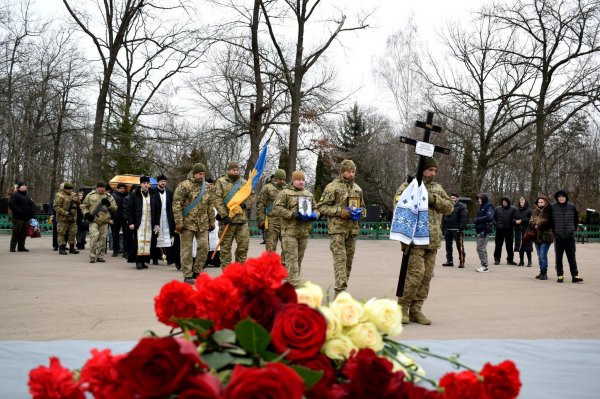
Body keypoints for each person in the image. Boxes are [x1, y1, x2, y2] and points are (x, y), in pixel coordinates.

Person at [393, 157, 453, 325]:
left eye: (435, 171)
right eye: (430, 170)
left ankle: (416, 310)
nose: (433, 173)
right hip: (414, 241)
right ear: (422, 170)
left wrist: (434, 200)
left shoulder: (437, 188)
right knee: (415, 276)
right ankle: (402, 308)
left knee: (426, 277)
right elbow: (398, 207)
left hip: (432, 241)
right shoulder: (408, 186)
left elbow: (449, 207)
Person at [316, 159, 365, 297]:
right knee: (340, 260)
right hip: (337, 230)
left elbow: (364, 209)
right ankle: (340, 292)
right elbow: (321, 207)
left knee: (348, 262)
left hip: (352, 230)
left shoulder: (357, 189)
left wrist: (360, 213)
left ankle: (343, 290)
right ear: (342, 171)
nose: (351, 174)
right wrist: (339, 211)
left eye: (353, 171)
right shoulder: (332, 187)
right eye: (349, 171)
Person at [271, 171, 318, 287]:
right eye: (298, 179)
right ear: (293, 180)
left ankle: (290, 286)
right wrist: (292, 214)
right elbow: (276, 208)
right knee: (292, 261)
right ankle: (294, 289)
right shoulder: (285, 193)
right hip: (289, 233)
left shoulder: (309, 195)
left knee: (298, 261)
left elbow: (317, 208)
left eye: (303, 179)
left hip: (303, 233)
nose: (301, 182)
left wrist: (315, 215)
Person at [173, 163, 215, 284]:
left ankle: (197, 270)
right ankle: (187, 274)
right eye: (199, 173)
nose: (201, 176)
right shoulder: (184, 186)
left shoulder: (207, 187)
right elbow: (176, 204)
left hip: (202, 223)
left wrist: (211, 220)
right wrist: (178, 222)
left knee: (204, 247)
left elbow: (210, 205)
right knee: (187, 249)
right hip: (187, 223)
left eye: (203, 174)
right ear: (194, 173)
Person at [214, 161, 255, 268]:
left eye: (237, 170)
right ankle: (227, 273)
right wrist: (223, 215)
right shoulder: (221, 182)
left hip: (241, 221)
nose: (236, 172)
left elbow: (252, 195)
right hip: (227, 220)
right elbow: (216, 198)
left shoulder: (244, 183)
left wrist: (244, 205)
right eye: (233, 170)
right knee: (225, 248)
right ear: (228, 170)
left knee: (243, 246)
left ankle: (239, 271)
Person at [126, 176, 160, 270]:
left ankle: (144, 260)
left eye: (147, 183)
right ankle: (138, 261)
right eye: (144, 183)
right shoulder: (135, 194)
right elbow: (129, 209)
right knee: (139, 241)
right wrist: (131, 222)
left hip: (149, 222)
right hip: (139, 222)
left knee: (147, 242)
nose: (146, 185)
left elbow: (157, 209)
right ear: (140, 184)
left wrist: (157, 223)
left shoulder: (153, 194)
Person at [551, 190, 583, 283]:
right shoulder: (553, 207)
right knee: (559, 258)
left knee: (572, 257)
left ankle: (575, 276)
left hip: (570, 237)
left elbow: (576, 219)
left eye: (563, 196)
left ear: (566, 197)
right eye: (559, 196)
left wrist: (573, 228)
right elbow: (551, 221)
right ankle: (560, 275)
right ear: (557, 198)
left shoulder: (571, 206)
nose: (561, 198)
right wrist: (554, 231)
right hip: (558, 237)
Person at [81, 181, 117, 263]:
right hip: (93, 221)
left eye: (104, 187)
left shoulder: (109, 196)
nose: (102, 189)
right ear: (97, 187)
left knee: (102, 239)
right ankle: (92, 256)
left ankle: (100, 256)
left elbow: (115, 208)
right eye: (101, 187)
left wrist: (109, 205)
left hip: (104, 221)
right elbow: (83, 206)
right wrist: (86, 214)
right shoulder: (90, 195)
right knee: (94, 237)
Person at [151, 175, 180, 267]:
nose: (163, 183)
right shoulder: (153, 192)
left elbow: (172, 206)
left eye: (164, 181)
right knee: (156, 237)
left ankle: (169, 259)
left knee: (168, 238)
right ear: (158, 182)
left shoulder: (169, 193)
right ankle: (155, 258)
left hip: (167, 218)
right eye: (161, 181)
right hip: (157, 218)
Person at [256, 169, 287, 255]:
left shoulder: (287, 188)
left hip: (285, 221)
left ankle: (284, 266)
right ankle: (270, 267)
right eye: (280, 179)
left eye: (283, 179)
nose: (282, 181)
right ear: (275, 178)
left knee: (287, 247)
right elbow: (261, 204)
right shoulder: (267, 187)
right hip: (271, 221)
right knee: (270, 247)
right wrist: (261, 220)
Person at [53, 182, 80, 255]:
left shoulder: (74, 195)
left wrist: (77, 201)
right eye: (68, 189)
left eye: (71, 189)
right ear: (65, 189)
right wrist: (65, 212)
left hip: (73, 218)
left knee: (73, 233)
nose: (70, 190)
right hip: (63, 218)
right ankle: (61, 248)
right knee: (61, 233)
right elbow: (56, 206)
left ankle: (72, 248)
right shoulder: (59, 195)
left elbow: (79, 203)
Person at [8, 181, 36, 252]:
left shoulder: (27, 196)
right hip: (18, 218)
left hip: (26, 218)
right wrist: (19, 210)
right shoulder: (15, 195)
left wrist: (32, 212)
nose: (24, 187)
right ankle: (12, 248)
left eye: (25, 185)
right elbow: (11, 204)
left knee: (23, 234)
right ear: (19, 187)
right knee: (16, 233)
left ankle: (21, 247)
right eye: (22, 186)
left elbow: (31, 204)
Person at [530, 195, 553, 280]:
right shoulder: (535, 211)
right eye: (539, 202)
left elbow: (547, 222)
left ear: (545, 202)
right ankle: (541, 272)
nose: (540, 203)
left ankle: (544, 273)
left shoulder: (549, 211)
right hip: (536, 237)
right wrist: (535, 224)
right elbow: (531, 221)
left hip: (546, 236)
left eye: (542, 202)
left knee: (543, 255)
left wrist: (538, 224)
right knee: (539, 256)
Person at [441, 193, 467, 268]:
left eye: (454, 198)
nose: (452, 199)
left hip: (457, 229)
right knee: (448, 246)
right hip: (448, 229)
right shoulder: (447, 206)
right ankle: (449, 261)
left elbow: (463, 217)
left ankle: (462, 261)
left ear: (457, 198)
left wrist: (461, 227)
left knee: (459, 245)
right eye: (451, 198)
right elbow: (444, 217)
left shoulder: (461, 206)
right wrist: (443, 227)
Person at [493, 196, 517, 265]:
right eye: (503, 201)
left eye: (506, 201)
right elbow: (493, 218)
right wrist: (496, 225)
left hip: (509, 230)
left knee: (509, 245)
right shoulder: (497, 209)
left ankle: (510, 260)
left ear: (508, 202)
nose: (504, 202)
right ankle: (497, 259)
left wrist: (512, 225)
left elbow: (515, 218)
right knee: (498, 245)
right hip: (499, 230)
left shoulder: (513, 209)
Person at [474, 193, 495, 273]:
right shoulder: (481, 207)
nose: (478, 200)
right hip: (479, 230)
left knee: (480, 248)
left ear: (483, 199)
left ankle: (485, 266)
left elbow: (489, 217)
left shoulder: (489, 206)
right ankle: (485, 265)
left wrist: (477, 220)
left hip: (484, 230)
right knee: (482, 248)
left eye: (479, 198)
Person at [514, 196, 533, 267]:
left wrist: (521, 220)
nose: (521, 203)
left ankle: (529, 261)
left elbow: (530, 219)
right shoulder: (517, 210)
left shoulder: (529, 210)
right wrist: (515, 221)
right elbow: (513, 219)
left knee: (527, 246)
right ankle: (521, 261)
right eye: (520, 202)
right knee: (520, 246)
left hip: (527, 230)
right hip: (518, 230)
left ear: (525, 202)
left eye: (523, 202)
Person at [110, 183, 128, 257]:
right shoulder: (113, 196)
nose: (122, 189)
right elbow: (110, 208)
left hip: (124, 218)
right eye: (121, 188)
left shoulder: (127, 195)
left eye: (124, 188)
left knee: (126, 235)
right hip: (115, 217)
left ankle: (125, 251)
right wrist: (111, 218)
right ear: (117, 188)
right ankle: (115, 250)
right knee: (115, 234)